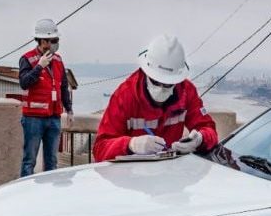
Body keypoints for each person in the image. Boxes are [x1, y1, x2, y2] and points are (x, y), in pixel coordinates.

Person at [93, 34, 218, 162]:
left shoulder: (186, 91)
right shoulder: (125, 96)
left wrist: (200, 139)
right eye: (156, 82)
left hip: (170, 168)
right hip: (131, 171)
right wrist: (131, 145)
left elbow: (209, 131)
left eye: (167, 84)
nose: (161, 88)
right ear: (147, 73)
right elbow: (100, 149)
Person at [18, 18, 73, 177]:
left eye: (56, 40)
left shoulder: (58, 60)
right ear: (43, 41)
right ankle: (26, 189)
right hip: (33, 119)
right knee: (29, 161)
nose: (56, 43)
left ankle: (48, 191)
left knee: (52, 162)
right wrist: (39, 67)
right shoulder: (27, 59)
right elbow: (24, 83)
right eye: (53, 40)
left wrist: (69, 109)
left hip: (54, 117)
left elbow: (63, 86)